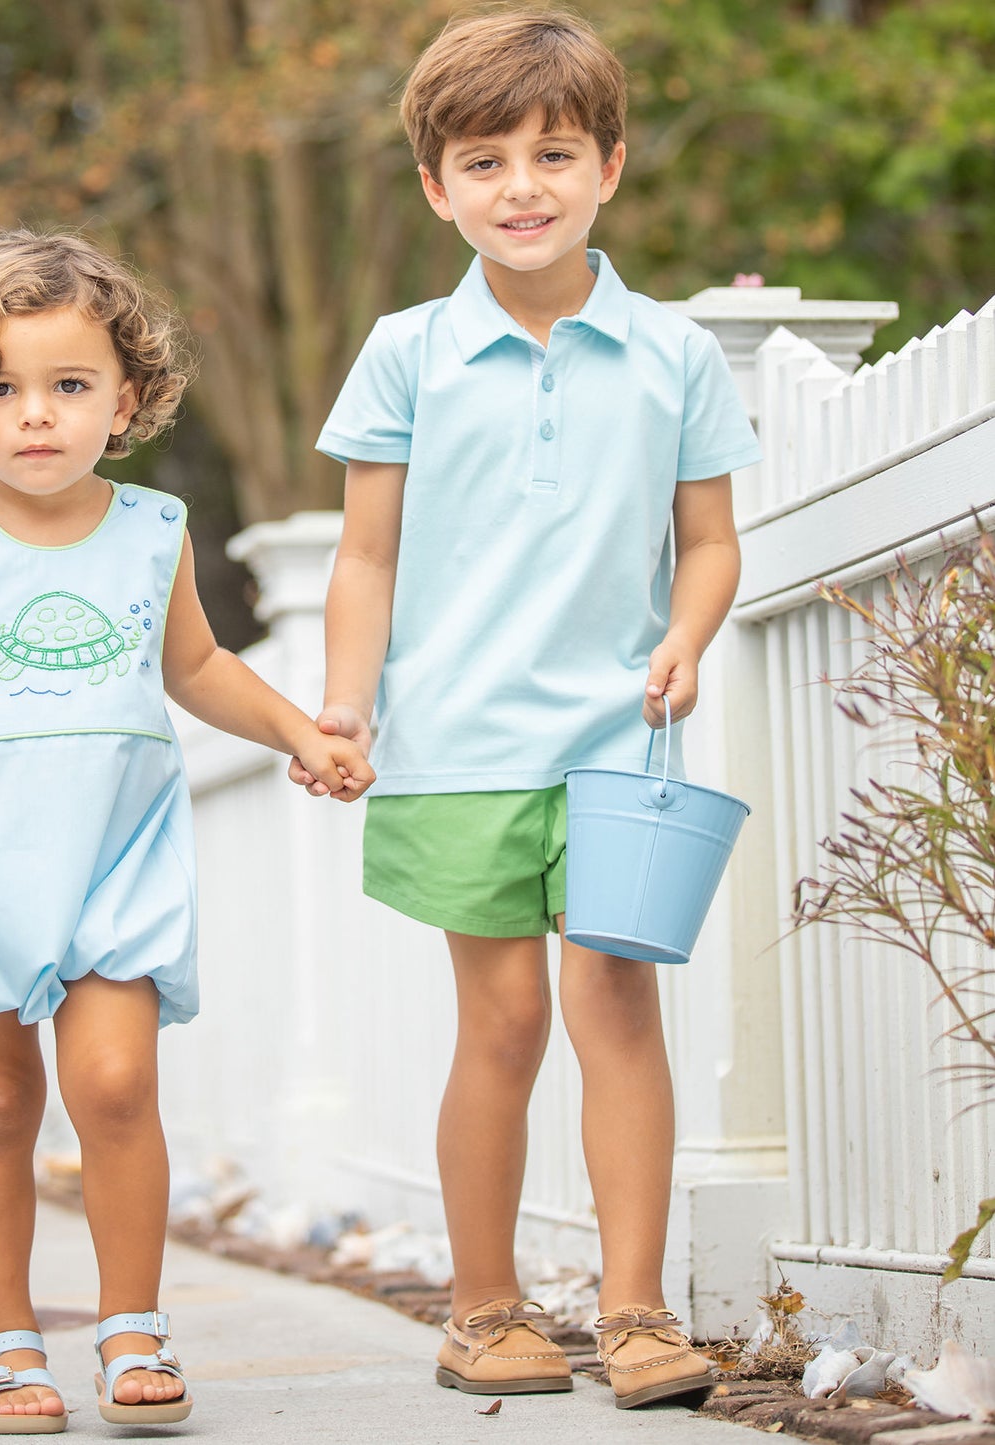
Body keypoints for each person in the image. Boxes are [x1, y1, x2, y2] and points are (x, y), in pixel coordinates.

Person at [0, 229, 373, 1435]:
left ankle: (132, 1328)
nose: (33, 416)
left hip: (115, 856)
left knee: (112, 1084)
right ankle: (8, 1345)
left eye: (66, 386)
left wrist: (300, 734)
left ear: (127, 395)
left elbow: (196, 667)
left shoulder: (152, 530)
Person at [289, 7, 761, 1411]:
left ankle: (634, 1309)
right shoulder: (405, 352)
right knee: (497, 1024)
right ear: (437, 187)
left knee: (616, 1004)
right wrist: (343, 706)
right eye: (484, 161)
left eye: (554, 153)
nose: (523, 187)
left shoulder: (674, 354)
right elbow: (363, 556)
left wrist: (685, 635)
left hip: (619, 742)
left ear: (609, 164)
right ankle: (484, 1306)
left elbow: (712, 540)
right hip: (453, 748)